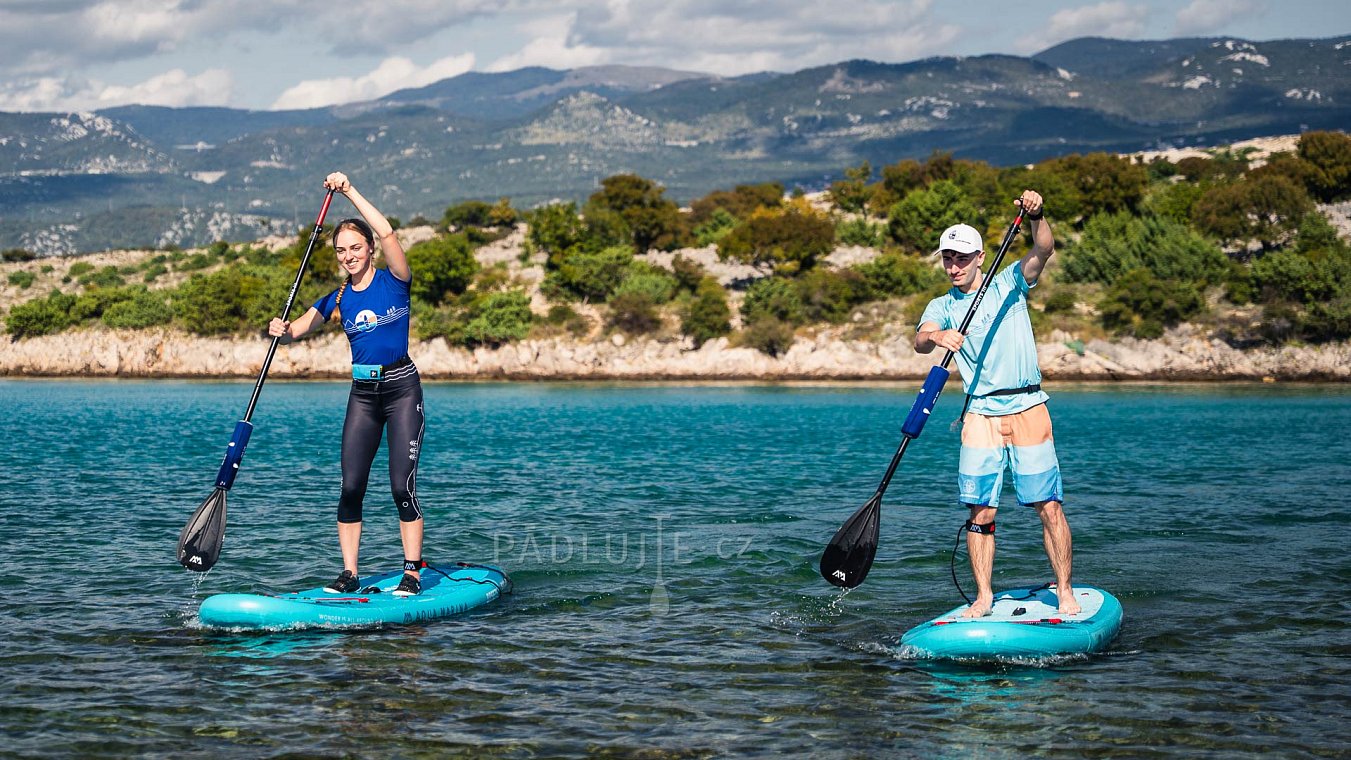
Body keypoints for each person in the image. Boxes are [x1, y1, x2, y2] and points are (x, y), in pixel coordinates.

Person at [913, 190, 1080, 618]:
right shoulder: (942, 306)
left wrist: (1038, 215)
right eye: (948, 259)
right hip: (980, 415)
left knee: (1048, 505)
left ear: (980, 257)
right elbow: (920, 339)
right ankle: (984, 596)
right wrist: (937, 336)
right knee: (980, 511)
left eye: (962, 258)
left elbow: (1044, 249)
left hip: (1027, 407)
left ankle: (1064, 590)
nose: (954, 266)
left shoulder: (1008, 282)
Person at [268, 171, 426, 597]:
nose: (348, 256)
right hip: (363, 397)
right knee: (351, 488)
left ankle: (412, 572)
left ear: (370, 248)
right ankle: (350, 573)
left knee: (401, 487)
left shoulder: (395, 280)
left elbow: (388, 231)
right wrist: (283, 329)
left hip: (401, 390)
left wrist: (349, 190)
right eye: (341, 250)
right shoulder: (339, 297)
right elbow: (300, 327)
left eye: (355, 247)